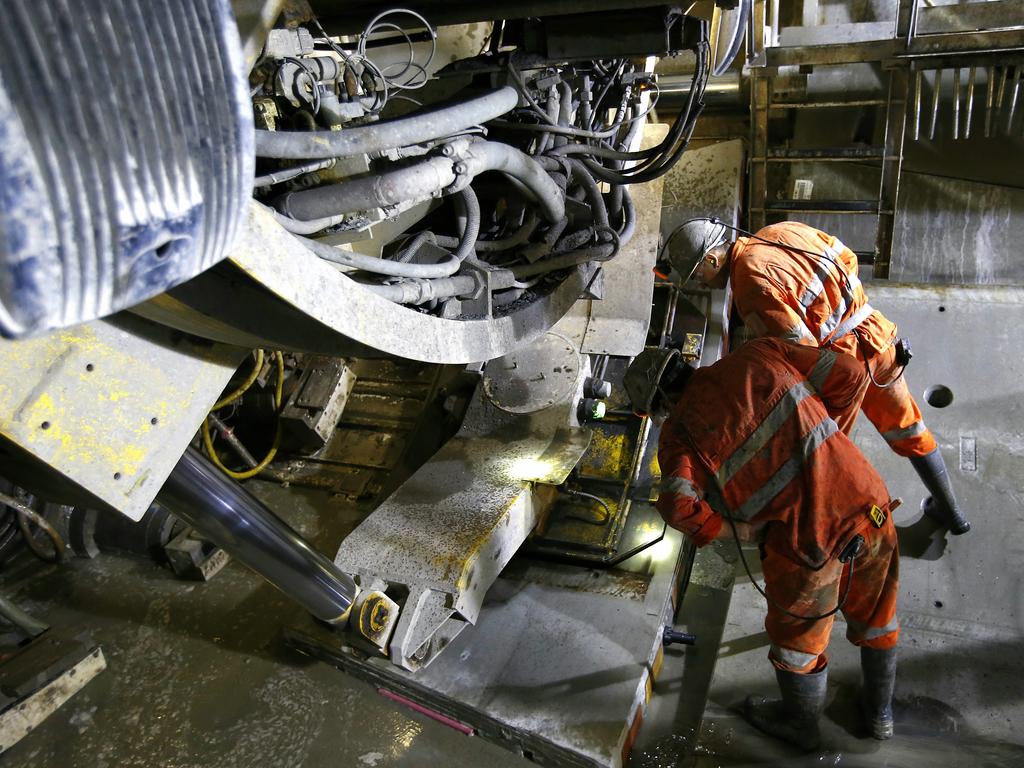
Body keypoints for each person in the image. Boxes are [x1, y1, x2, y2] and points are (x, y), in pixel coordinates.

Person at [624, 339, 900, 750]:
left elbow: (678, 506)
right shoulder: (758, 354)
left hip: (807, 544)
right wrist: (829, 440)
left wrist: (745, 532)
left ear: (661, 400)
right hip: (866, 501)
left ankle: (800, 726)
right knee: (879, 615)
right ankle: (880, 716)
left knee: (797, 647)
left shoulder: (679, 433)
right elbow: (852, 374)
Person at [662, 218, 970, 536]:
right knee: (909, 429)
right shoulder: (781, 231)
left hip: (843, 365)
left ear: (712, 258)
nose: (701, 282)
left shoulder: (748, 283)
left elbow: (800, 350)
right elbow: (847, 258)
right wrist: (844, 309)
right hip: (878, 337)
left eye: (698, 275)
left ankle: (844, 537)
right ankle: (951, 510)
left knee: (829, 459)